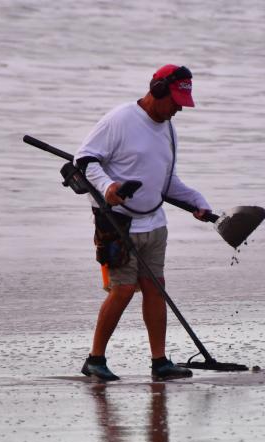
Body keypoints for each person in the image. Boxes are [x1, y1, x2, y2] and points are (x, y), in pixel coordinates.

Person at [74, 64, 212, 382]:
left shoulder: (168, 128)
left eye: (183, 102)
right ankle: (95, 360)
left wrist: (196, 201)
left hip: (154, 222)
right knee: (122, 289)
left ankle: (160, 362)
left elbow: (166, 180)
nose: (179, 108)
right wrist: (108, 187)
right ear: (158, 90)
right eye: (175, 100)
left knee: (155, 289)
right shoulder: (120, 120)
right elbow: (83, 160)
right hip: (116, 221)